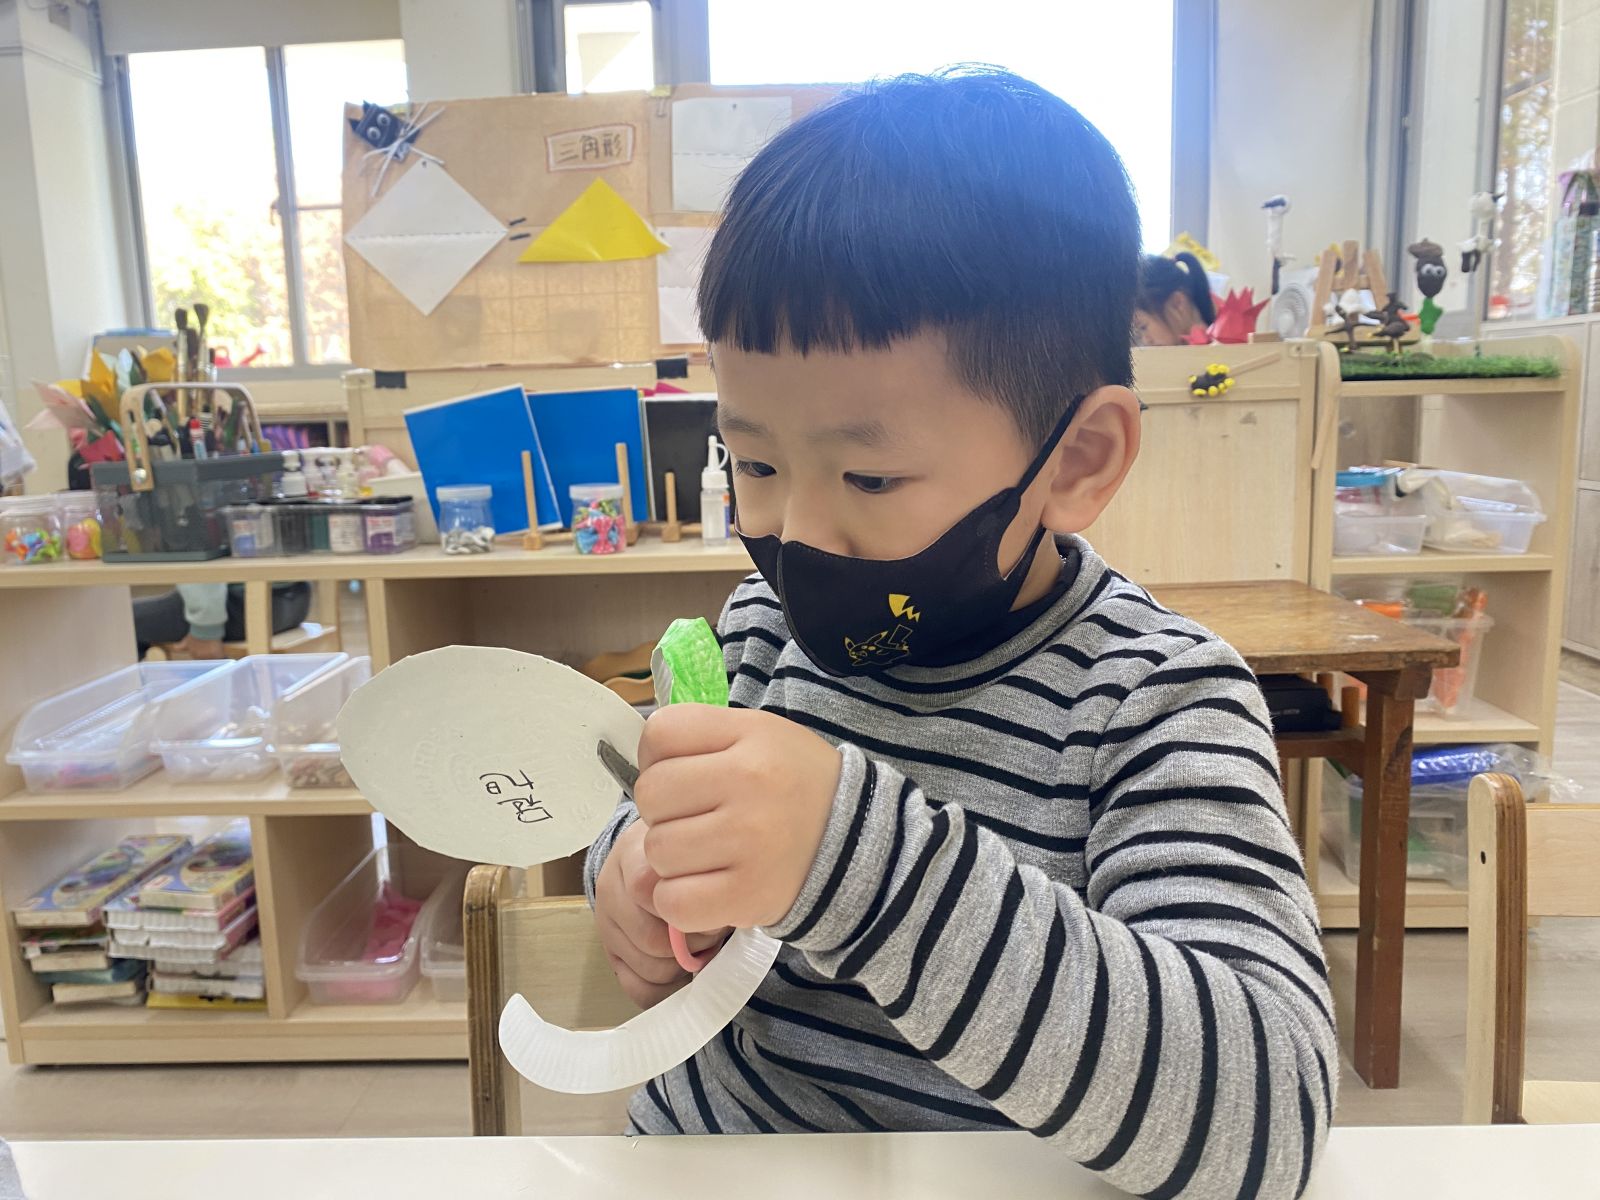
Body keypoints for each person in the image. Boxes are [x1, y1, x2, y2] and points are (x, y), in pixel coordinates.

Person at [587, 69, 1333, 1199]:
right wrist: (636, 871)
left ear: (1077, 461)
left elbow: (1263, 1122)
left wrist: (853, 861)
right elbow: (642, 812)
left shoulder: (1156, 701)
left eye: (871, 478)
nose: (797, 535)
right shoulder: (757, 637)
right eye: (756, 463)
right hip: (722, 1162)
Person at [133, 581, 312, 658]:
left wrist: (205, 629)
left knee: (123, 621)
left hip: (237, 605)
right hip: (296, 599)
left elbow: (196, 545)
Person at [1134, 250, 1216, 345]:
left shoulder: (1224, 341)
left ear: (1177, 303)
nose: (1146, 340)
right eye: (1139, 334)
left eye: (1143, 327)